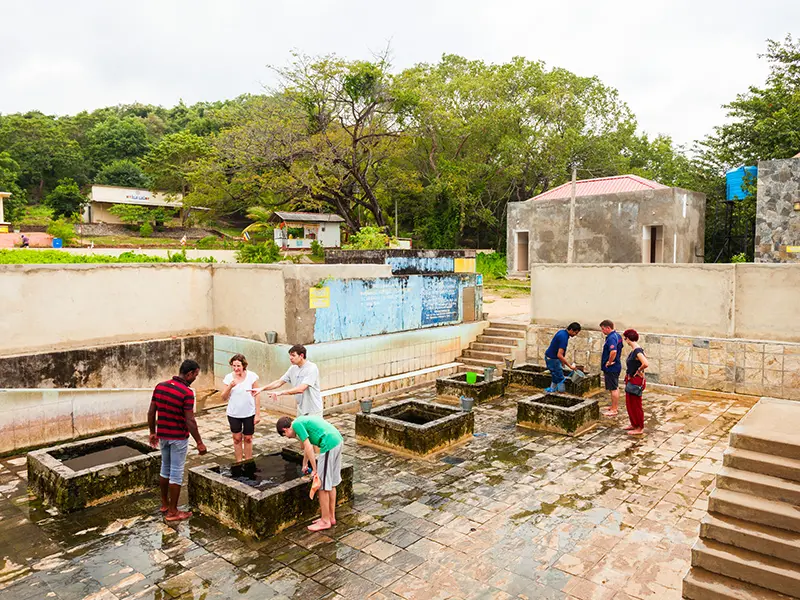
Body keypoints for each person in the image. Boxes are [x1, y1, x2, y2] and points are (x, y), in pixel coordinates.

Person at [147, 359, 207, 522]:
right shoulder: (186, 393)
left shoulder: (161, 386)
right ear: (189, 374)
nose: (195, 378)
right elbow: (190, 420)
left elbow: (151, 412)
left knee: (164, 468)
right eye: (195, 375)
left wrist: (153, 432)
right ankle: (173, 512)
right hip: (178, 438)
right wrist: (199, 442)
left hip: (163, 436)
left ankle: (165, 504)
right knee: (176, 472)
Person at [276, 415, 343, 532]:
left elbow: (308, 447)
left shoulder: (296, 425)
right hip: (337, 440)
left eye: (285, 435)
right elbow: (308, 446)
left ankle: (325, 521)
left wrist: (315, 469)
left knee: (321, 486)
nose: (288, 437)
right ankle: (331, 517)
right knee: (331, 484)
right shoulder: (300, 421)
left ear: (285, 430)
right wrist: (304, 464)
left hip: (329, 444)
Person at [251, 345, 323, 416]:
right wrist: (262, 388)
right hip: (301, 410)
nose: (290, 358)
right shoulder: (292, 368)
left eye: (293, 355)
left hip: (314, 410)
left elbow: (301, 389)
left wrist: (281, 393)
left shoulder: (312, 368)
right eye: (290, 355)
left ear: (301, 356)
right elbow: (279, 382)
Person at [222, 354, 260, 462]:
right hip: (234, 414)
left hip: (249, 413)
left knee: (248, 438)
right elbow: (223, 397)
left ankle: (248, 460)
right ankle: (239, 461)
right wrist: (230, 386)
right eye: (233, 366)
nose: (236, 368)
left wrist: (258, 414)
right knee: (237, 438)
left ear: (243, 365)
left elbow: (257, 394)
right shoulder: (228, 378)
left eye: (238, 366)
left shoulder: (252, 376)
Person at [622, 329, 649, 436]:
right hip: (631, 379)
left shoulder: (637, 351)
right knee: (630, 404)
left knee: (636, 404)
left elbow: (645, 363)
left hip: (636, 381)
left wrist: (639, 370)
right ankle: (634, 423)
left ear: (628, 338)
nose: (625, 340)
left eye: (625, 338)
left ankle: (640, 427)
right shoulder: (635, 350)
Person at [544, 322, 581, 392]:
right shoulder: (564, 338)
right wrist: (570, 366)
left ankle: (552, 390)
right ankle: (562, 394)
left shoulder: (562, 332)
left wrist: (562, 362)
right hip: (553, 359)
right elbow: (559, 355)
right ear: (571, 330)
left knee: (556, 376)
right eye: (575, 333)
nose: (575, 335)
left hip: (550, 357)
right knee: (560, 378)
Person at [600, 320, 623, 416]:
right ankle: (613, 406)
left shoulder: (611, 338)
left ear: (608, 328)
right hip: (615, 366)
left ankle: (614, 409)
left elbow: (613, 351)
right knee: (613, 387)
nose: (602, 331)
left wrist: (609, 362)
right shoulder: (617, 336)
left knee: (614, 388)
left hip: (612, 368)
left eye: (603, 329)